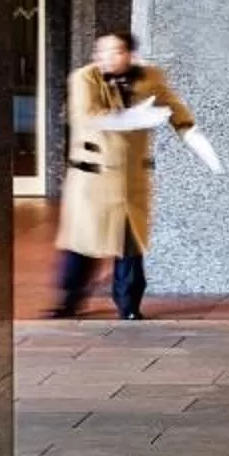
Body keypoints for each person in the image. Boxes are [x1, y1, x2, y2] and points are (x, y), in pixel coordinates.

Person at [51, 30, 193, 321]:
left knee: (129, 246)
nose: (104, 57)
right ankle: (69, 302)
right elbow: (87, 116)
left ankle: (129, 305)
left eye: (114, 51)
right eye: (100, 51)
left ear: (130, 54)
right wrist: (134, 118)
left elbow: (175, 109)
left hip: (129, 180)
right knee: (83, 244)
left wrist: (189, 132)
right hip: (92, 179)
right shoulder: (84, 78)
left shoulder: (150, 77)